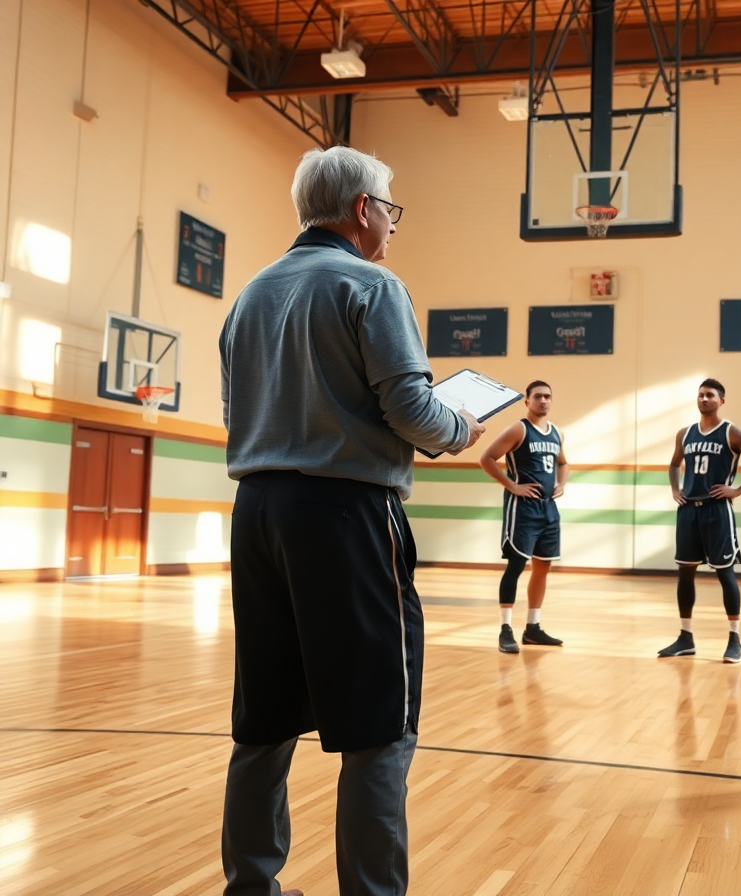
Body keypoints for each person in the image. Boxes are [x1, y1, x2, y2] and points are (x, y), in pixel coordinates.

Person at [218, 146, 485, 896]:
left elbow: (235, 412)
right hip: (345, 516)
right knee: (378, 724)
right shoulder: (371, 283)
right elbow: (410, 407)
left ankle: (252, 887)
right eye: (389, 211)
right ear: (363, 210)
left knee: (265, 716)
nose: (392, 227)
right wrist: (459, 427)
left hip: (257, 514)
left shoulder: (249, 295)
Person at [659, 379, 741, 664]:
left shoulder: (731, 433)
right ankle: (685, 637)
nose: (704, 399)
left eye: (710, 395)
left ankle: (734, 639)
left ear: (721, 401)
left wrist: (737, 490)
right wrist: (675, 489)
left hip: (717, 511)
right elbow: (674, 464)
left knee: (725, 573)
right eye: (700, 395)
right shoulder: (684, 434)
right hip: (689, 510)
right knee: (685, 573)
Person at [480, 381, 569, 653]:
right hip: (522, 510)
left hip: (548, 509)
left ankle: (533, 628)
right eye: (538, 396)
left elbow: (563, 463)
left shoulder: (557, 433)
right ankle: (505, 630)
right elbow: (487, 458)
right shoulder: (519, 429)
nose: (543, 400)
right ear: (527, 401)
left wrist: (562, 484)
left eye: (548, 397)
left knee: (543, 567)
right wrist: (512, 486)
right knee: (516, 565)